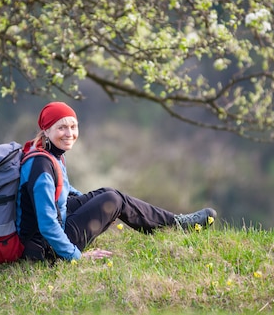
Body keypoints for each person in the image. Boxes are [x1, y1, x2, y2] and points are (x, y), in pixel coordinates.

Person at [16, 101, 217, 261]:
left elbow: (63, 190)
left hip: (47, 235)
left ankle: (176, 223)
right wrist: (76, 257)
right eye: (61, 127)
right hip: (43, 249)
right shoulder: (40, 165)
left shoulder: (50, 154)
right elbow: (46, 223)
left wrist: (91, 204)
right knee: (112, 199)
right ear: (46, 131)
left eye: (73, 126)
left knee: (107, 194)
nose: (69, 133)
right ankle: (176, 225)